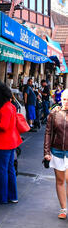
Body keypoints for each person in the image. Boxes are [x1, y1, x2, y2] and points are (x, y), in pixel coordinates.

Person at [44, 89, 68, 219]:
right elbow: (48, 133)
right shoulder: (54, 113)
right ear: (61, 99)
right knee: (60, 180)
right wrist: (46, 152)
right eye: (64, 99)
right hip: (56, 150)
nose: (66, 102)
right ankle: (63, 209)